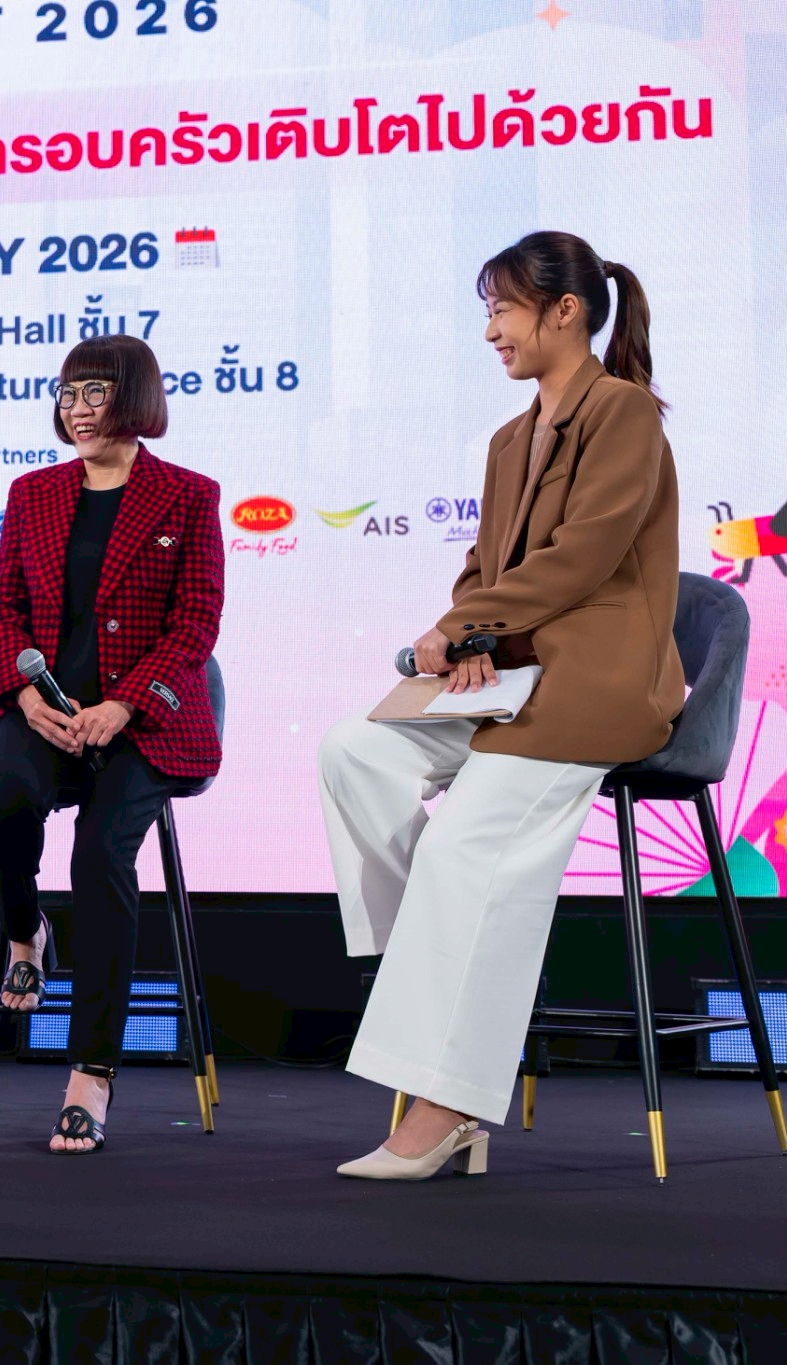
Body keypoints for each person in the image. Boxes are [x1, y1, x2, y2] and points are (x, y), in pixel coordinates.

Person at [319, 231, 684, 1180]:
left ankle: (448, 1103)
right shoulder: (508, 439)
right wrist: (472, 633)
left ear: (566, 310)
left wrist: (467, 624)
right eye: (488, 311)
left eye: (503, 309)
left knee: (463, 847)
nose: (491, 331)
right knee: (354, 750)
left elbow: (583, 556)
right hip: (512, 674)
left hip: (597, 682)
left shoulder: (624, 412)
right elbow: (487, 565)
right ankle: (439, 966)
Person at [0, 334, 225, 1153]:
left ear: (136, 397)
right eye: (67, 393)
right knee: (8, 795)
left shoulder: (188, 496)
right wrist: (23, 697)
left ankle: (91, 1072)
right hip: (47, 710)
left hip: (140, 721)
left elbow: (195, 625)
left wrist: (124, 705)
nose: (77, 409)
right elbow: (1, 610)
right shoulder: (33, 493)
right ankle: (26, 932)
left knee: (101, 854)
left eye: (95, 392)